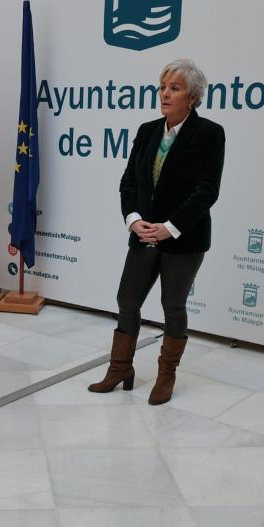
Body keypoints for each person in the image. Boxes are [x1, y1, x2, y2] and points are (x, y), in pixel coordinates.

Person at [87, 58, 225, 405]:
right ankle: (120, 368)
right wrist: (134, 220)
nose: (164, 94)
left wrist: (170, 227)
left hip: (185, 238)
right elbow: (129, 181)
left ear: (192, 97)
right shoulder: (148, 130)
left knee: (172, 306)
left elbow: (207, 191)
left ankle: (166, 376)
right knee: (127, 300)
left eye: (174, 88)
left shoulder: (210, 133)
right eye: (162, 87)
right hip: (144, 233)